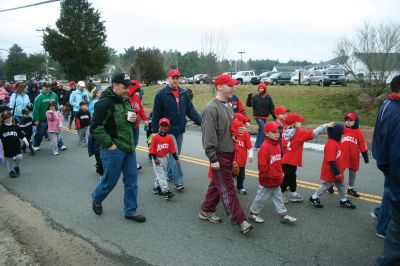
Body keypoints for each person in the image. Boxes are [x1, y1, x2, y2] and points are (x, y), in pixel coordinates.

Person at [199, 74, 253, 234]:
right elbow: (208, 136)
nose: (233, 88)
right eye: (230, 85)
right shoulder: (211, 108)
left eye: (233, 85)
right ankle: (241, 220)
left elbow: (230, 130)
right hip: (219, 154)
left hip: (229, 153)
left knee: (217, 185)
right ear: (219, 86)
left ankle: (205, 210)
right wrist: (213, 158)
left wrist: (238, 131)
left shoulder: (228, 106)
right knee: (228, 188)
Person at [91, 73, 145, 223]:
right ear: (114, 85)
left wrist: (133, 120)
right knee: (110, 181)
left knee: (132, 181)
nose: (128, 90)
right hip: (112, 149)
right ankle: (97, 198)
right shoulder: (104, 103)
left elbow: (129, 122)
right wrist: (111, 145)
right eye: (124, 87)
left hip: (128, 148)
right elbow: (95, 128)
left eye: (129, 87)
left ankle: (130, 210)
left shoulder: (125, 101)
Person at [152, 69, 201, 192]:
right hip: (167, 131)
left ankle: (168, 175)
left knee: (175, 154)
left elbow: (191, 110)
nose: (175, 80)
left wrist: (202, 123)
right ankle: (178, 181)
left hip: (180, 129)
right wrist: (154, 132)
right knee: (174, 156)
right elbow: (156, 114)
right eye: (172, 78)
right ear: (168, 78)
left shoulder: (184, 93)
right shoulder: (161, 94)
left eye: (177, 78)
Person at [373, 75, 400, 265]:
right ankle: (382, 227)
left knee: (388, 191)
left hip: (385, 158)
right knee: (391, 193)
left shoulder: (387, 104)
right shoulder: (396, 111)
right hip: (391, 162)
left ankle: (380, 214)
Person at [249, 122, 297, 224]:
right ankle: (253, 213)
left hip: (276, 178)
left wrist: (280, 173)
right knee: (261, 198)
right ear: (266, 133)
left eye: (278, 132)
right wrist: (266, 177)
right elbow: (262, 166)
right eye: (274, 132)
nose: (277, 134)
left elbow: (278, 162)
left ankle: (283, 215)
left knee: (278, 197)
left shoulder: (277, 146)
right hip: (267, 179)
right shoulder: (265, 147)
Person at [280, 113, 334, 203]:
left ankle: (293, 193)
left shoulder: (284, 131)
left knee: (291, 176)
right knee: (288, 178)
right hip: (290, 160)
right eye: (299, 122)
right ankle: (280, 194)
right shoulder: (299, 133)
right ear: (294, 124)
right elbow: (314, 133)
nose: (301, 123)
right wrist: (325, 126)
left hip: (284, 159)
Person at [309, 123, 356, 209]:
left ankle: (343, 200)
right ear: (336, 133)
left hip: (337, 170)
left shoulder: (337, 142)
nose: (342, 135)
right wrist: (336, 172)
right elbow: (331, 161)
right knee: (326, 185)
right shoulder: (331, 145)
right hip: (331, 171)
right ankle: (314, 197)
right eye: (341, 134)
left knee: (341, 185)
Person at [339, 112, 369, 197]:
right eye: (347, 120)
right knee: (339, 172)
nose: (348, 122)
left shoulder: (358, 132)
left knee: (352, 173)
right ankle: (332, 184)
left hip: (353, 157)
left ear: (355, 121)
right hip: (342, 155)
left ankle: (350, 189)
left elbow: (363, 145)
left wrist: (365, 156)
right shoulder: (342, 129)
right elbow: (336, 139)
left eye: (350, 120)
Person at [149, 118, 179, 200]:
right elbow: (151, 149)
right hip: (157, 158)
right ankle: (166, 191)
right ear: (159, 126)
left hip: (165, 158)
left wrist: (176, 159)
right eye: (162, 125)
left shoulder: (169, 138)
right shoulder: (155, 137)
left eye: (166, 126)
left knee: (163, 173)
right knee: (162, 175)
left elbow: (173, 150)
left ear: (168, 127)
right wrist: (155, 159)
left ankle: (156, 188)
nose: (164, 127)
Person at [32, 83, 66, 151]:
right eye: (45, 87)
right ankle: (36, 145)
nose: (47, 88)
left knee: (56, 131)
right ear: (42, 88)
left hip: (53, 118)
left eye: (48, 87)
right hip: (43, 118)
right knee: (40, 132)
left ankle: (60, 145)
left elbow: (56, 105)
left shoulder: (54, 95)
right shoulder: (39, 97)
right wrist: (35, 119)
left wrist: (58, 114)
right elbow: (35, 109)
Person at [246, 82, 275, 149]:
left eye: (262, 88)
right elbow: (249, 105)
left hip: (264, 116)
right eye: (260, 88)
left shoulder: (268, 97)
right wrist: (249, 97)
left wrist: (274, 116)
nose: (261, 89)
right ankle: (261, 145)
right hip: (257, 116)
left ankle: (256, 145)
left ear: (265, 89)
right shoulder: (255, 97)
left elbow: (271, 107)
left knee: (260, 130)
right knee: (264, 129)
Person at [127, 80, 148, 170]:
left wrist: (145, 119)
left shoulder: (137, 97)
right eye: (137, 90)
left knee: (134, 143)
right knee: (130, 144)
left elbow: (141, 108)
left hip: (136, 124)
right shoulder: (124, 98)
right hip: (127, 125)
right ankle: (132, 163)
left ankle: (129, 161)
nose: (138, 92)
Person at [0, 111, 29, 178]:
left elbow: (21, 135)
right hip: (7, 146)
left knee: (19, 157)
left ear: (12, 118)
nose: (8, 119)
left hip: (16, 145)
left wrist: (25, 141)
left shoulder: (15, 126)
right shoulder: (1, 127)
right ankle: (11, 171)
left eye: (9, 117)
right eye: (6, 118)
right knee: (10, 159)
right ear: (3, 119)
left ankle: (16, 166)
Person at [230, 113, 253, 195]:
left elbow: (249, 146)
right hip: (231, 158)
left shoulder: (245, 134)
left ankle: (240, 187)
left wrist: (250, 155)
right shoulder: (230, 132)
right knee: (229, 173)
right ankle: (229, 187)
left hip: (241, 159)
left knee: (241, 175)